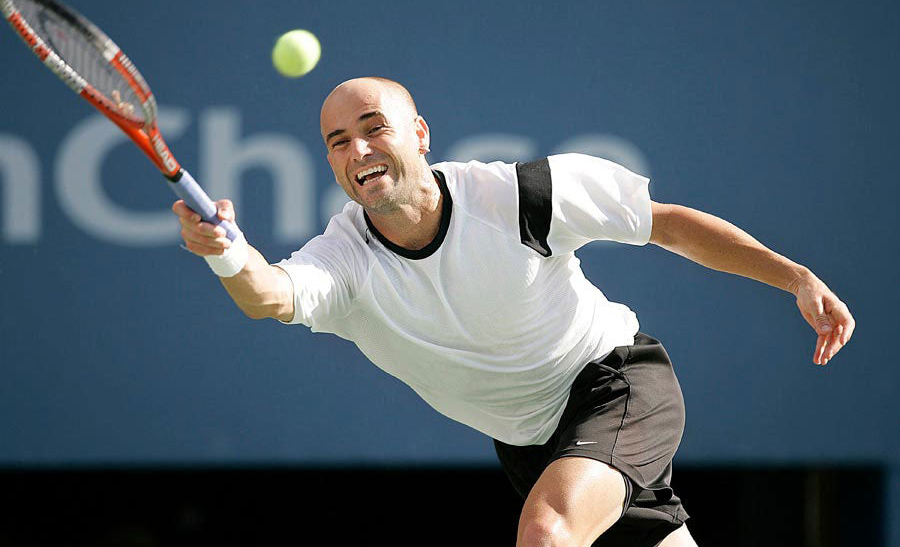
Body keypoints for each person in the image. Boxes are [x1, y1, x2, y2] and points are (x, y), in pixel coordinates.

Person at [172, 77, 855, 547]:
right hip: (529, 442)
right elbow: (269, 294)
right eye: (338, 141)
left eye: (374, 129)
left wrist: (793, 278)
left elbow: (667, 224)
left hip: (614, 383)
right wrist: (226, 252)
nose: (359, 151)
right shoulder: (344, 258)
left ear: (420, 134)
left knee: (547, 532)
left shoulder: (518, 196)